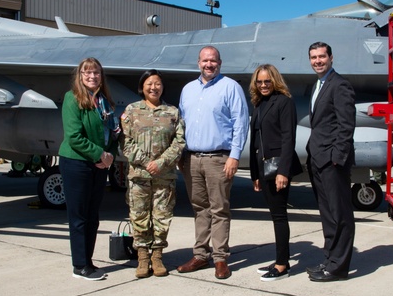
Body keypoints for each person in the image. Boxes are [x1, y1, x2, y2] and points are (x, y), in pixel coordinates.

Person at [177, 46, 249, 279]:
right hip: (191, 158)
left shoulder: (230, 87)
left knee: (219, 209)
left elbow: (241, 123)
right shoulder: (188, 89)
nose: (209, 65)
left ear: (220, 62)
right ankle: (200, 255)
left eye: (213, 61)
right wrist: (180, 155)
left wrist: (234, 155)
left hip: (219, 158)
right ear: (198, 62)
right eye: (205, 61)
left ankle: (220, 258)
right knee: (200, 208)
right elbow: (180, 124)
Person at [59, 57, 121, 281]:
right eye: (87, 73)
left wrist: (110, 155)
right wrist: (100, 154)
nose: (92, 76)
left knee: (93, 216)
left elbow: (112, 133)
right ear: (80, 76)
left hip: (99, 165)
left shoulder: (104, 101)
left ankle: (88, 261)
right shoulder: (72, 99)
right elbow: (74, 136)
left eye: (96, 73)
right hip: (76, 163)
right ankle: (79, 265)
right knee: (79, 216)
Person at [120, 70, 186, 278]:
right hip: (139, 175)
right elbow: (125, 142)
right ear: (142, 87)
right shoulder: (132, 111)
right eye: (149, 83)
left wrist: (161, 163)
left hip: (164, 176)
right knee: (139, 216)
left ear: (162, 87)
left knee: (162, 216)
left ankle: (157, 256)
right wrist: (147, 162)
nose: (153, 87)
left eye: (157, 84)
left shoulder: (172, 112)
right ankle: (142, 257)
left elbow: (179, 142)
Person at [305, 42, 356, 282]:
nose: (318, 61)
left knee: (340, 215)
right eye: (314, 57)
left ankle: (338, 268)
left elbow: (346, 126)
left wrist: (337, 159)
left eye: (322, 56)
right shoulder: (318, 85)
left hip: (332, 162)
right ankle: (329, 259)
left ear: (331, 58)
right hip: (318, 160)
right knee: (327, 215)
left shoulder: (340, 85)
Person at [248, 64, 303, 281]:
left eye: (267, 81)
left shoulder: (284, 102)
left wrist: (283, 172)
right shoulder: (259, 104)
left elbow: (289, 138)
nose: (263, 85)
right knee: (275, 215)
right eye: (259, 82)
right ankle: (281, 258)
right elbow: (255, 142)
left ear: (275, 81)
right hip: (264, 169)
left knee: (279, 216)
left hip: (277, 168)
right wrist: (255, 174)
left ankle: (282, 265)